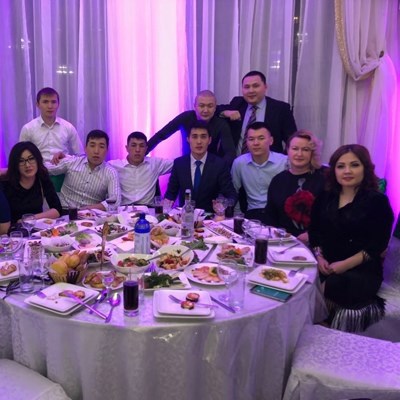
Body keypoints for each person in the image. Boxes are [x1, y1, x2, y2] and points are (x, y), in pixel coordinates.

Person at [309, 144, 394, 333]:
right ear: (334, 170)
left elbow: (377, 245)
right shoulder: (325, 197)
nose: (347, 171)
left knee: (334, 284)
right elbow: (314, 231)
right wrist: (319, 257)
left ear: (365, 168)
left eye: (354, 165)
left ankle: (323, 332)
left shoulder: (377, 202)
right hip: (326, 262)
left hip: (361, 268)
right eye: (341, 166)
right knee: (300, 279)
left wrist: (344, 265)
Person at [264, 131, 326, 243]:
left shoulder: (324, 178)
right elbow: (270, 217)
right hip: (283, 242)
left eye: (305, 150)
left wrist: (312, 234)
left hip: (316, 241)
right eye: (295, 148)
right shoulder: (278, 181)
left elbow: (331, 216)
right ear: (288, 150)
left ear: (312, 153)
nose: (299, 154)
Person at [218, 70, 297, 155]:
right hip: (236, 161)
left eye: (255, 86)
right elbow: (214, 109)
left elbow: (293, 141)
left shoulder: (280, 109)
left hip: (269, 162)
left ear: (265, 87)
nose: (251, 91)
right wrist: (226, 113)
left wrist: (281, 160)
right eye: (247, 87)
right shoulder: (237, 103)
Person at [147, 90, 236, 165]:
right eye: (201, 106)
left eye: (210, 106)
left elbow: (230, 153)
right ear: (195, 106)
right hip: (187, 165)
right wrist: (143, 152)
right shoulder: (185, 118)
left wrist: (218, 169)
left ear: (215, 108)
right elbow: (161, 135)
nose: (205, 110)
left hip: (211, 165)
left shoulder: (221, 124)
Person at [164, 122, 237, 213]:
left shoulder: (219, 164)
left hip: (210, 218)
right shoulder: (179, 163)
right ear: (188, 139)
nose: (199, 141)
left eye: (203, 137)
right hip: (185, 217)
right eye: (194, 137)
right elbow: (170, 194)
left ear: (209, 140)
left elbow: (231, 195)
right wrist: (166, 205)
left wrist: (223, 205)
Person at [46, 130, 121, 211]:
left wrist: (87, 209)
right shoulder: (71, 162)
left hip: (91, 214)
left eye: (101, 147)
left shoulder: (110, 172)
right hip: (65, 211)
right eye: (92, 145)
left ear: (107, 151)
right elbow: (45, 168)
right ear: (85, 148)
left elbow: (115, 201)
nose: (96, 151)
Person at [231, 122, 287, 220]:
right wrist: (237, 215)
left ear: (271, 141)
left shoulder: (284, 162)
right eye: (251, 139)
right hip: (252, 213)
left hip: (279, 213)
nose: (256, 143)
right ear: (246, 142)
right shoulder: (239, 163)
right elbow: (233, 191)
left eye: (261, 138)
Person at [2, 142, 62, 225]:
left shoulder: (42, 177)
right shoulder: (6, 183)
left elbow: (57, 210)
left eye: (31, 159)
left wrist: (29, 219)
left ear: (37, 159)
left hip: (36, 229)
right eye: (21, 161)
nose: (27, 165)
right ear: (15, 164)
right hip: (13, 231)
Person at [20, 87, 83, 164]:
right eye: (45, 102)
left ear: (58, 104)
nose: (50, 106)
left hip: (64, 169)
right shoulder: (28, 128)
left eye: (53, 102)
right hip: (38, 170)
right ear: (37, 104)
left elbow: (81, 156)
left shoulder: (68, 127)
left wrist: (65, 157)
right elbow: (20, 156)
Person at [108, 131, 173, 205]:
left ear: (146, 148)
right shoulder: (113, 166)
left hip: (148, 209)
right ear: (127, 148)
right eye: (133, 145)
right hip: (124, 209)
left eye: (141, 146)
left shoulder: (155, 164)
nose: (137, 150)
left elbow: (179, 163)